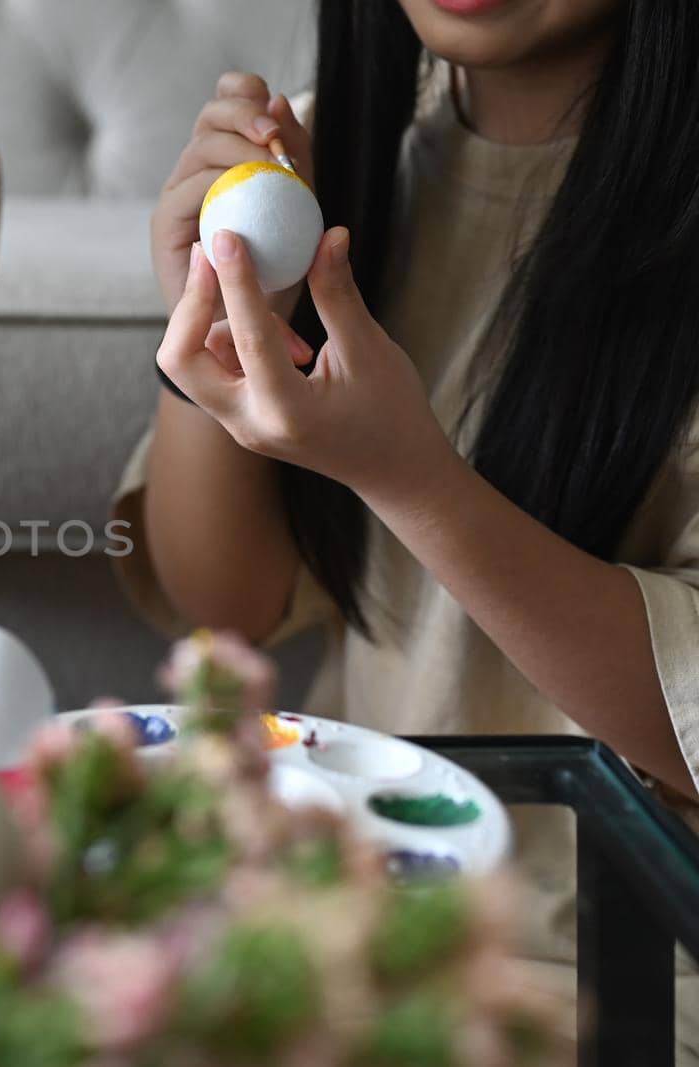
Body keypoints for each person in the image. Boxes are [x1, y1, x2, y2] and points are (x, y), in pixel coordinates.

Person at [116, 0, 699, 1051]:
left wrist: (414, 480)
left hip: (625, 954)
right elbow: (226, 603)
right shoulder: (327, 153)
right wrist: (215, 329)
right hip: (345, 914)